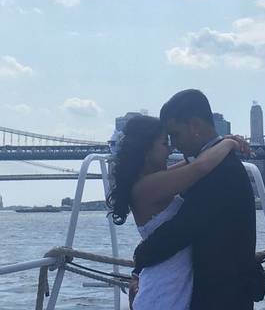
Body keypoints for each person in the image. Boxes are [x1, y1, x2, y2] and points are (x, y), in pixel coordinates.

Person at [133, 89, 262, 310]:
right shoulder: (215, 165)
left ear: (194, 126)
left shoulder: (220, 171)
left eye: (175, 134)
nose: (174, 144)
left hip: (220, 298)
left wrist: (139, 257)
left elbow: (183, 229)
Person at [107, 113, 250, 310]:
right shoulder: (147, 186)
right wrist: (228, 144)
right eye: (164, 143)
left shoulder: (150, 182)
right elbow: (200, 167)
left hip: (170, 287)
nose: (171, 148)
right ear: (147, 150)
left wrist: (221, 142)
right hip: (163, 292)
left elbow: (193, 161)